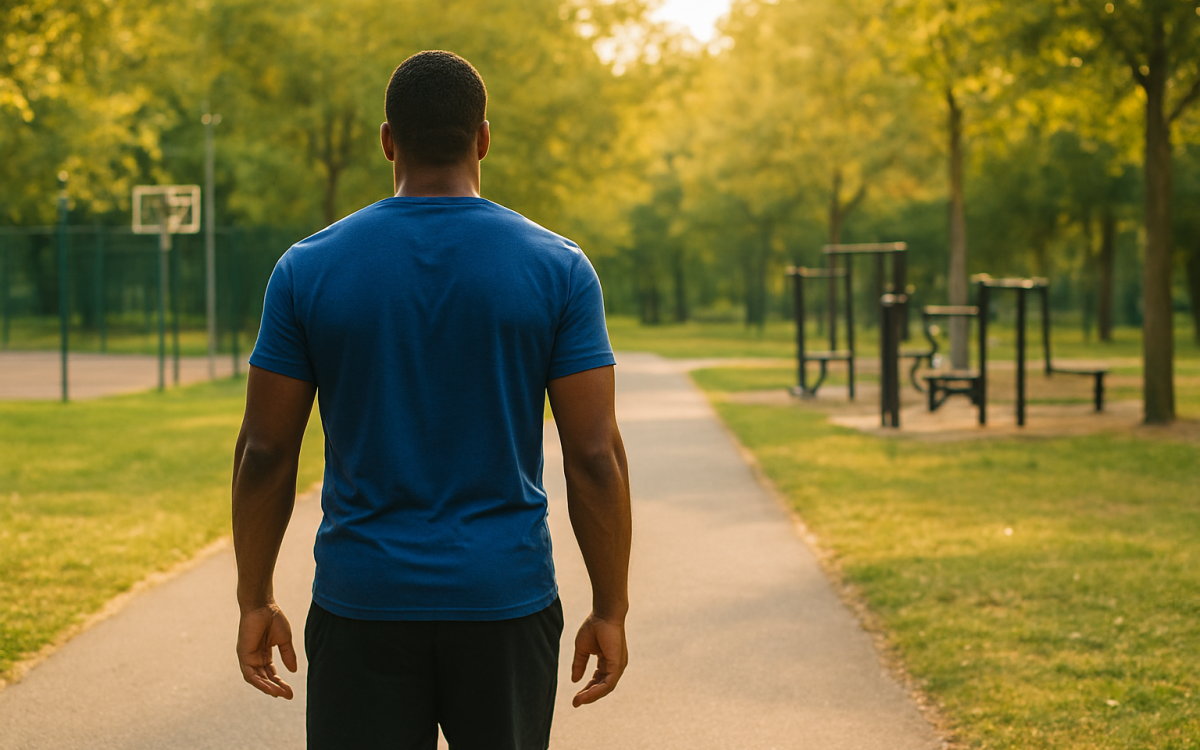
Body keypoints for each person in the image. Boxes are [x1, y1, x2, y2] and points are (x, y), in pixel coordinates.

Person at [230, 50, 631, 749]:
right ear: (483, 138)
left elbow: (265, 452)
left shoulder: (307, 267)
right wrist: (611, 608)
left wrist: (255, 598)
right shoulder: (559, 268)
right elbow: (594, 456)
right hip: (505, 600)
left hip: (363, 604)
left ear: (389, 140)